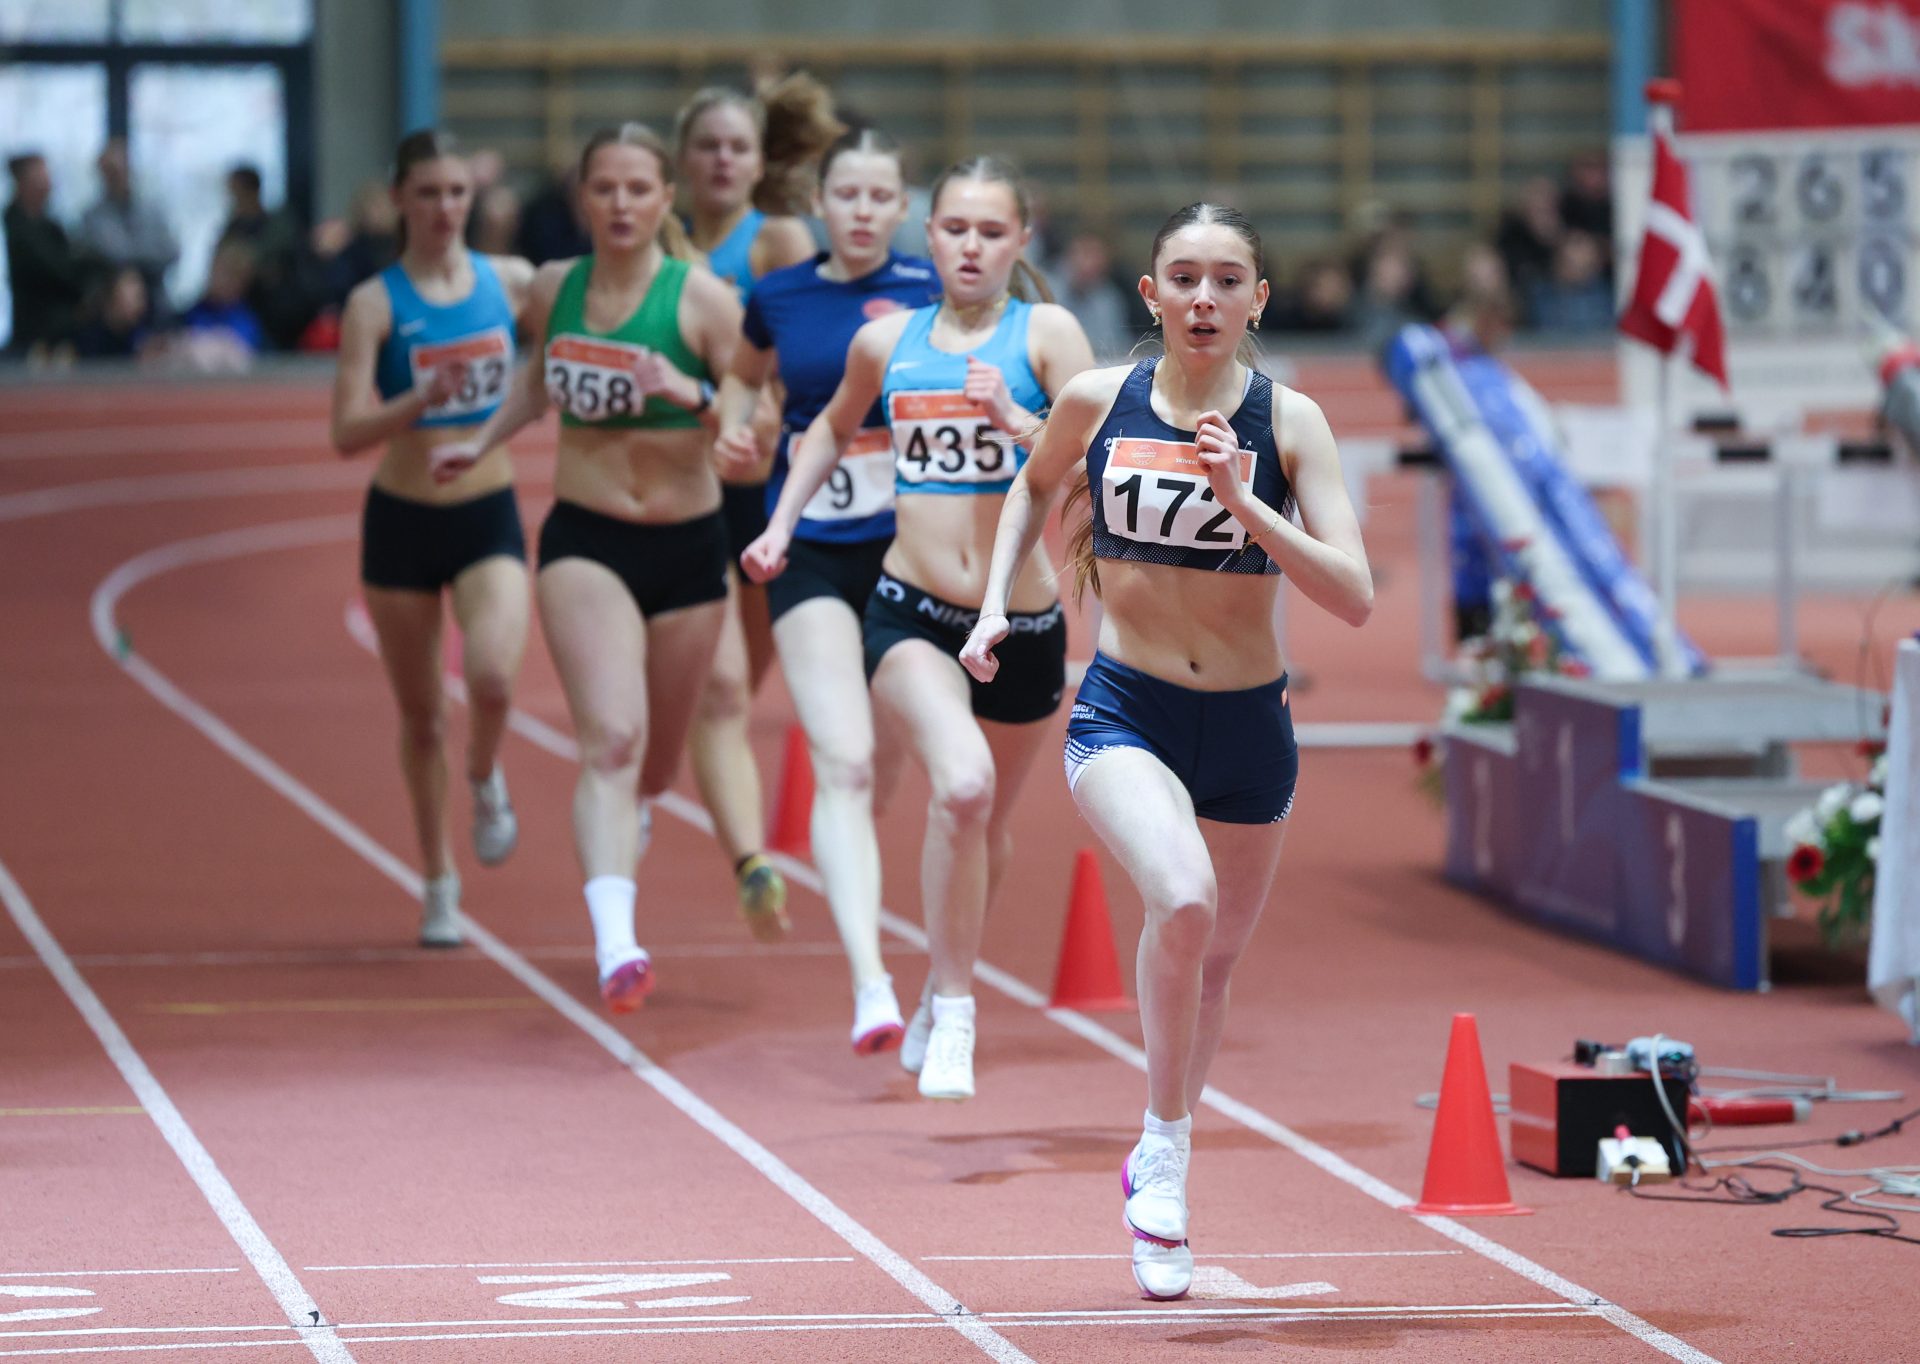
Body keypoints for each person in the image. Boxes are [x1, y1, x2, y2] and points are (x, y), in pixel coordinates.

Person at [958, 203, 1373, 1299]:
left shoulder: (1291, 422)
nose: (1204, 298)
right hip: (1126, 711)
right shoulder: (1099, 400)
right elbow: (1032, 487)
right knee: (1182, 901)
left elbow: (1354, 594)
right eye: (1183, 278)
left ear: (1258, 300)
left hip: (1249, 727)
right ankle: (1166, 1149)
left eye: (1227, 280)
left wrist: (1245, 501)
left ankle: (1161, 1140)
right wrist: (997, 605)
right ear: (1151, 294)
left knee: (1215, 962)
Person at [744, 156, 1095, 1100]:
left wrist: (1015, 418)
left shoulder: (1047, 333)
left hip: (1021, 626)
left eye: (992, 231)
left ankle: (942, 987)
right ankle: (958, 1009)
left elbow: (1099, 456)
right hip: (910, 613)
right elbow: (828, 426)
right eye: (956, 229)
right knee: (964, 786)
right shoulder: (886, 341)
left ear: (1021, 240)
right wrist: (781, 525)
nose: (971, 247)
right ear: (929, 236)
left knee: (987, 823)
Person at [451, 123, 742, 1012]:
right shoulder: (553, 288)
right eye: (604, 188)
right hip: (586, 537)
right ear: (583, 198)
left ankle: (637, 807)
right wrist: (479, 442)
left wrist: (690, 393)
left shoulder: (702, 300)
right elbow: (538, 380)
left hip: (689, 547)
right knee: (611, 738)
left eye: (637, 189)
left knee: (654, 764)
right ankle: (619, 944)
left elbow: (750, 413)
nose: (620, 204)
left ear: (665, 200)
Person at [714, 126, 938, 1054]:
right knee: (840, 760)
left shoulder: (936, 289)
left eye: (880, 197)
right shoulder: (778, 295)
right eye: (846, 195)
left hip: (913, 557)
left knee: (884, 765)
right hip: (806, 545)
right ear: (819, 202)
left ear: (903, 207)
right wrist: (735, 426)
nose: (862, 212)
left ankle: (869, 879)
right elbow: (741, 378)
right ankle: (871, 983)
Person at [329, 129, 537, 948]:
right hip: (403, 521)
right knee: (421, 720)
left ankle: (484, 776)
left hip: (486, 513)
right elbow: (346, 432)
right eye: (428, 193)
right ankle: (438, 881)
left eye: (457, 192)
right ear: (399, 201)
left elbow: (585, 319)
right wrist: (418, 401)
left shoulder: (511, 282)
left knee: (492, 678)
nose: (445, 208)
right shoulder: (374, 304)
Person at [676, 77, 840, 941]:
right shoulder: (657, 238)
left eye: (737, 146)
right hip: (684, 486)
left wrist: (770, 411)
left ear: (757, 160)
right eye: (707, 146)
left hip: (768, 487)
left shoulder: (776, 240)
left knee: (738, 683)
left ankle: (663, 773)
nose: (722, 160)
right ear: (682, 159)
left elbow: (807, 352)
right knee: (721, 688)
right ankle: (750, 861)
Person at [4, 153, 87, 359]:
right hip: (30, 326)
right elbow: (58, 269)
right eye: (41, 175)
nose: (48, 182)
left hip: (63, 322)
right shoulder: (12, 226)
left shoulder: (52, 227)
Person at [76, 139, 177, 306]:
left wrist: (131, 259)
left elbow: (171, 251)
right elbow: (104, 259)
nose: (117, 176)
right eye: (111, 172)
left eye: (120, 169)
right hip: (111, 304)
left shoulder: (152, 211)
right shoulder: (92, 218)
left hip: (155, 299)